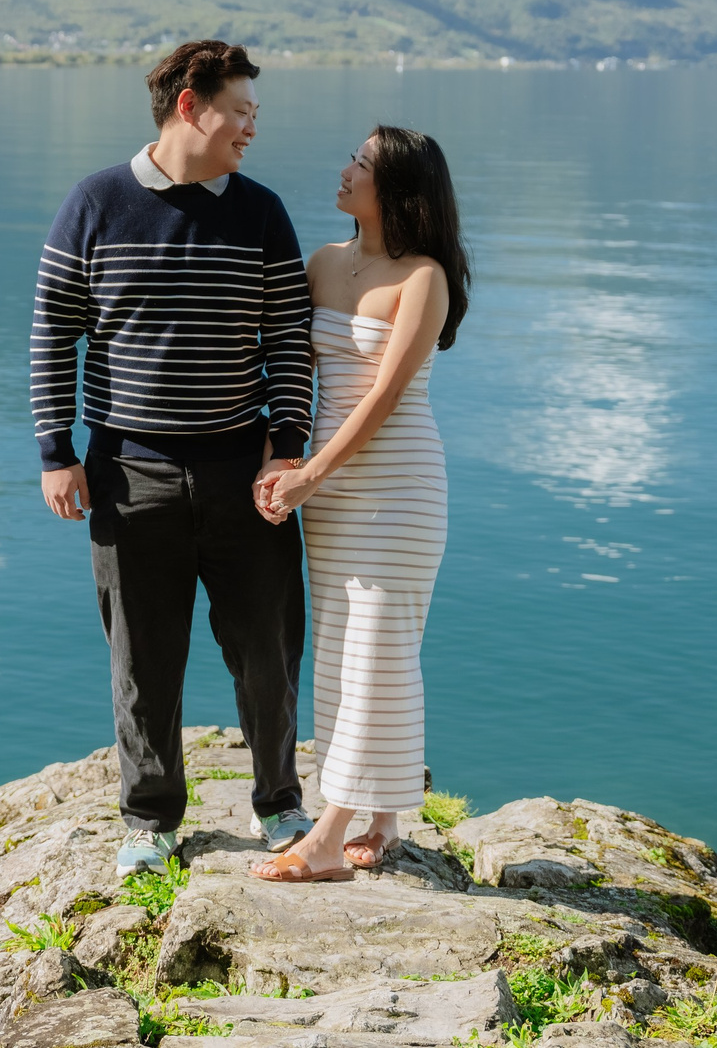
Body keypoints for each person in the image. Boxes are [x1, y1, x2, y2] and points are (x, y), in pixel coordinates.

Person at [32, 40, 318, 877]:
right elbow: (54, 332)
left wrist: (289, 442)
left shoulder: (261, 213)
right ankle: (150, 820)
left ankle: (280, 801)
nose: (251, 129)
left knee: (268, 649)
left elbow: (289, 338)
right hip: (129, 470)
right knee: (142, 659)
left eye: (255, 115)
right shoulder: (95, 204)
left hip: (243, 471)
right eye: (242, 111)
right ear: (189, 106)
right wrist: (57, 452)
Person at [249, 126, 470, 883]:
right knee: (348, 650)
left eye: (363, 164)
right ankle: (384, 812)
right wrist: (282, 461)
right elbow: (290, 373)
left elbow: (383, 397)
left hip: (398, 487)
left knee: (378, 646)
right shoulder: (321, 263)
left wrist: (311, 473)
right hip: (330, 490)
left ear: (399, 190)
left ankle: (328, 833)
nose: (345, 170)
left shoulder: (424, 278)